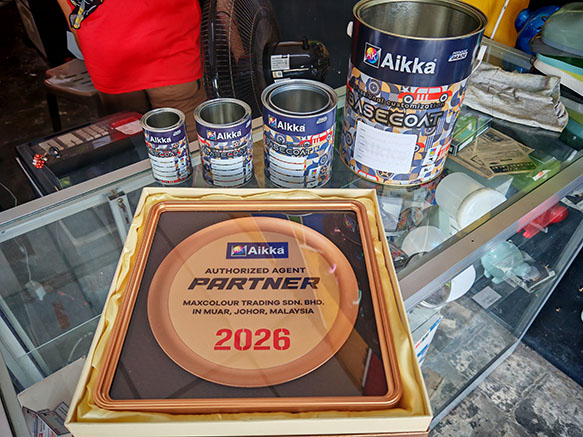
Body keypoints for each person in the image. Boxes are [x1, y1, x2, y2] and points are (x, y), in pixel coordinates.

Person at [56, 0, 207, 143]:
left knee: (130, 142)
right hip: (168, 41)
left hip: (108, 46)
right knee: (187, 140)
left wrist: (85, 39)